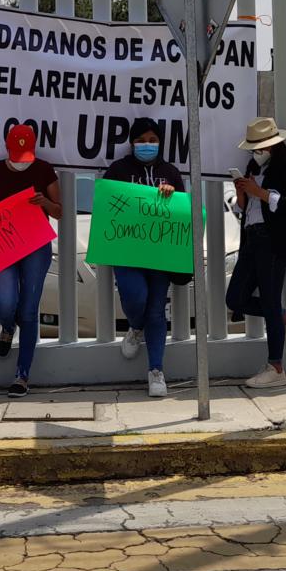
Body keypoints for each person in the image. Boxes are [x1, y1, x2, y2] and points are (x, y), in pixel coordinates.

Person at [103, 117, 183, 398]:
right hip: (126, 251)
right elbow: (107, 206)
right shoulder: (117, 170)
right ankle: (135, 327)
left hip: (159, 253)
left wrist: (171, 197)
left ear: (160, 142)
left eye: (152, 140)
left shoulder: (171, 172)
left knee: (156, 310)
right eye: (141, 140)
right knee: (135, 298)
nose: (147, 145)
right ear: (131, 142)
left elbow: (180, 213)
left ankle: (156, 371)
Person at [0, 124, 61, 398]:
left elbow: (59, 210)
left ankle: (22, 374)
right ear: (7, 148)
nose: (19, 158)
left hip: (35, 245)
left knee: (29, 309)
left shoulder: (43, 169)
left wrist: (44, 204)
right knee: (5, 302)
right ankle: (7, 326)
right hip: (3, 245)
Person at [226, 117, 286, 389]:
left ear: (272, 146)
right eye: (253, 148)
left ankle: (276, 367)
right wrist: (243, 196)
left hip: (275, 240)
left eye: (259, 148)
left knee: (270, 299)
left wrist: (260, 192)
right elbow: (246, 210)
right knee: (235, 297)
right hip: (253, 238)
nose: (255, 153)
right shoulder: (251, 167)